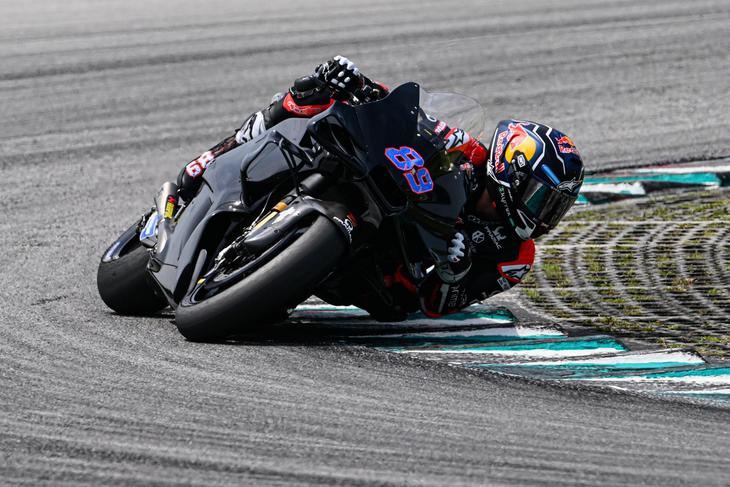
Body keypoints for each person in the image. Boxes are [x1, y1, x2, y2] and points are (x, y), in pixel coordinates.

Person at [176, 56, 585, 320]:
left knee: (393, 306)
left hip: (385, 274)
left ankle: (272, 279)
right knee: (311, 102)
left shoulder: (515, 255)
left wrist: (452, 270)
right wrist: (359, 84)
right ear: (509, 168)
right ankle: (211, 160)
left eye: (554, 207)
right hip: (378, 193)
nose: (545, 214)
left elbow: (437, 304)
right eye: (541, 197)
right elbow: (407, 117)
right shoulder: (468, 151)